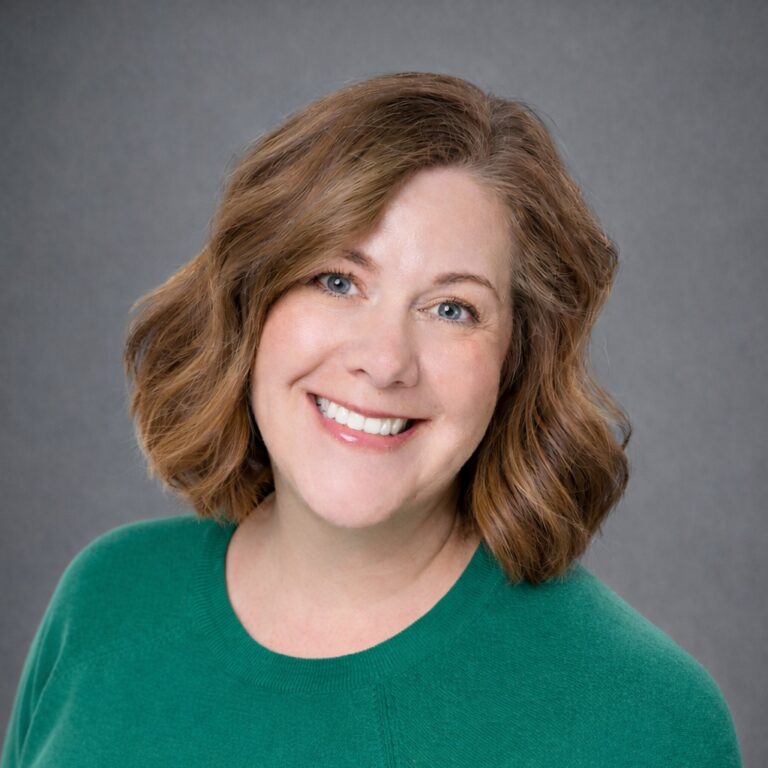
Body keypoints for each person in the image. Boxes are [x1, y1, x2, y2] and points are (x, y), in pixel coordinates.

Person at [1, 72, 742, 767]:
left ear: (518, 360)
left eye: (452, 308)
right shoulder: (106, 602)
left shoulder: (644, 720)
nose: (386, 361)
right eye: (337, 280)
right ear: (250, 303)